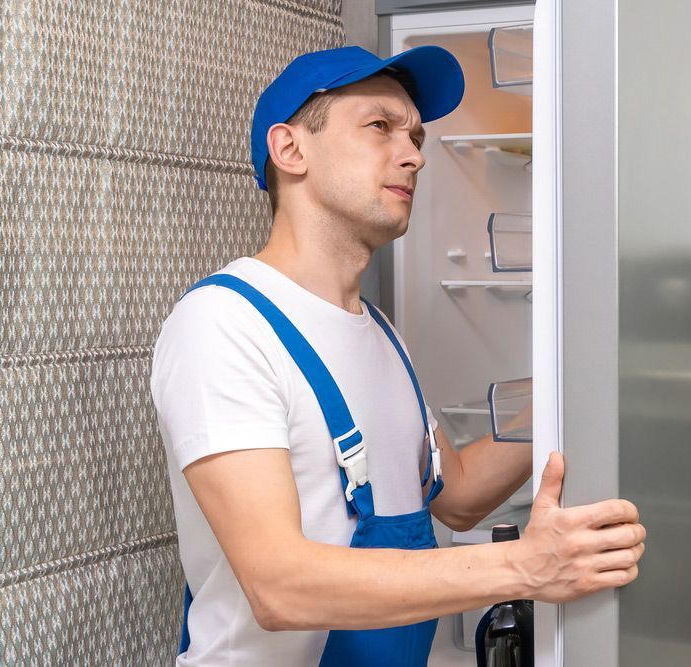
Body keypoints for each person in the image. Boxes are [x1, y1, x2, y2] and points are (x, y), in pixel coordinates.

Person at [151, 45, 645, 666]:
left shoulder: (379, 333)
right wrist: (523, 566)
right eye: (380, 126)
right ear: (290, 150)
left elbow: (458, 495)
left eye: (417, 136)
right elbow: (278, 585)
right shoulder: (224, 325)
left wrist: (578, 382)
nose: (413, 154)